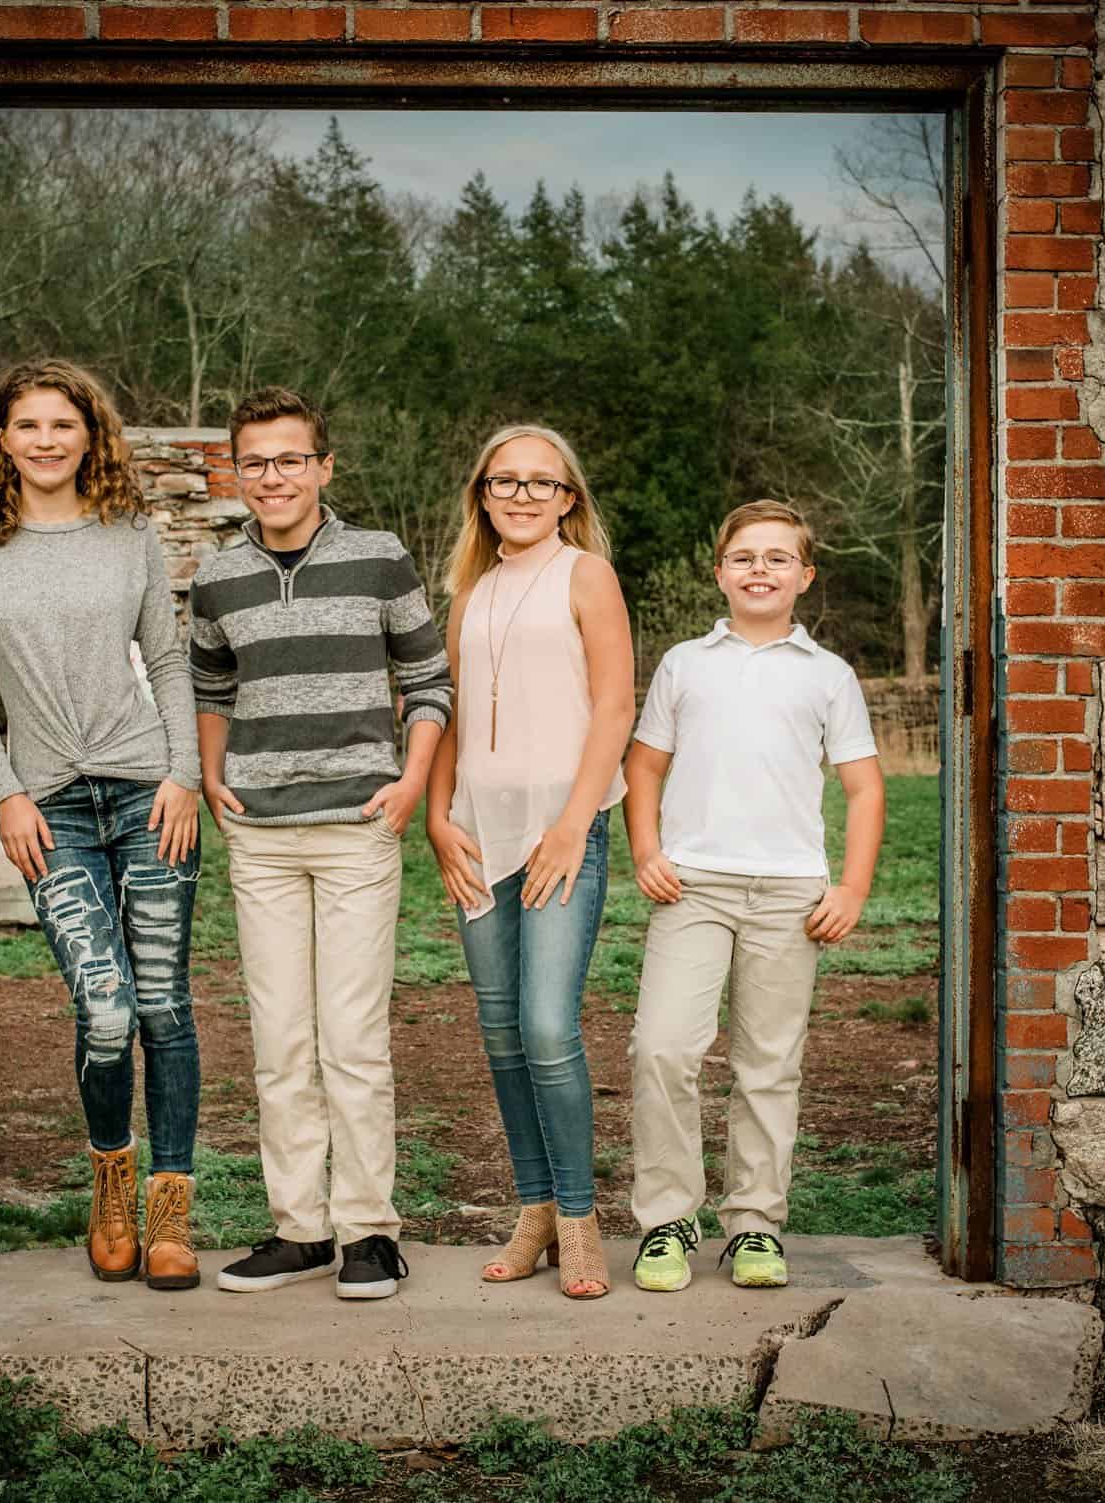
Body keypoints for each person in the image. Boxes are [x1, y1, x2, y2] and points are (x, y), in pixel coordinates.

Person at [189, 386, 453, 1300]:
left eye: (290, 458)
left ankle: (370, 1232)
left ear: (324, 466)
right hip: (259, 833)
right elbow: (211, 690)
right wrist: (215, 778)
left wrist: (412, 782)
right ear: (236, 471)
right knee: (279, 1041)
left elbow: (428, 680)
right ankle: (299, 1228)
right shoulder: (218, 576)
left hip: (355, 828)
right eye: (255, 461)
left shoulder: (379, 559)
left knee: (352, 1038)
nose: (273, 475)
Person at [0, 358, 204, 1291]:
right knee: (105, 1010)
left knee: (164, 1005)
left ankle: (171, 1214)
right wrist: (7, 792)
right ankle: (111, 1184)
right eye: (29, 426)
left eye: (64, 424)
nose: (47, 440)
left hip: (147, 795)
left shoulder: (129, 532)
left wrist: (183, 774)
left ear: (89, 435)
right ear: (3, 438)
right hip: (50, 806)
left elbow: (169, 663)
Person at [622, 500, 885, 1292]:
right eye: (744, 556)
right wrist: (646, 849)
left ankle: (754, 1226)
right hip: (692, 885)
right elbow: (643, 766)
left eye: (777, 557)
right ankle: (668, 1218)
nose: (760, 569)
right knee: (662, 1046)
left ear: (806, 575)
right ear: (720, 571)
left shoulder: (828, 676)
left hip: (789, 894)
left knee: (768, 1063)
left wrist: (852, 886)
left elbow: (864, 789)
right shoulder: (684, 663)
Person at [425, 425, 633, 1300]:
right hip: (480, 834)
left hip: (562, 833)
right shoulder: (467, 594)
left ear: (567, 498)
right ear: (480, 493)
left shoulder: (585, 576)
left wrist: (571, 824)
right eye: (503, 481)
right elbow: (451, 712)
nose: (519, 495)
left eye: (538, 483)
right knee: (504, 1036)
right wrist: (438, 816)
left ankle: (581, 1218)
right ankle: (535, 1206)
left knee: (550, 1029)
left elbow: (617, 702)